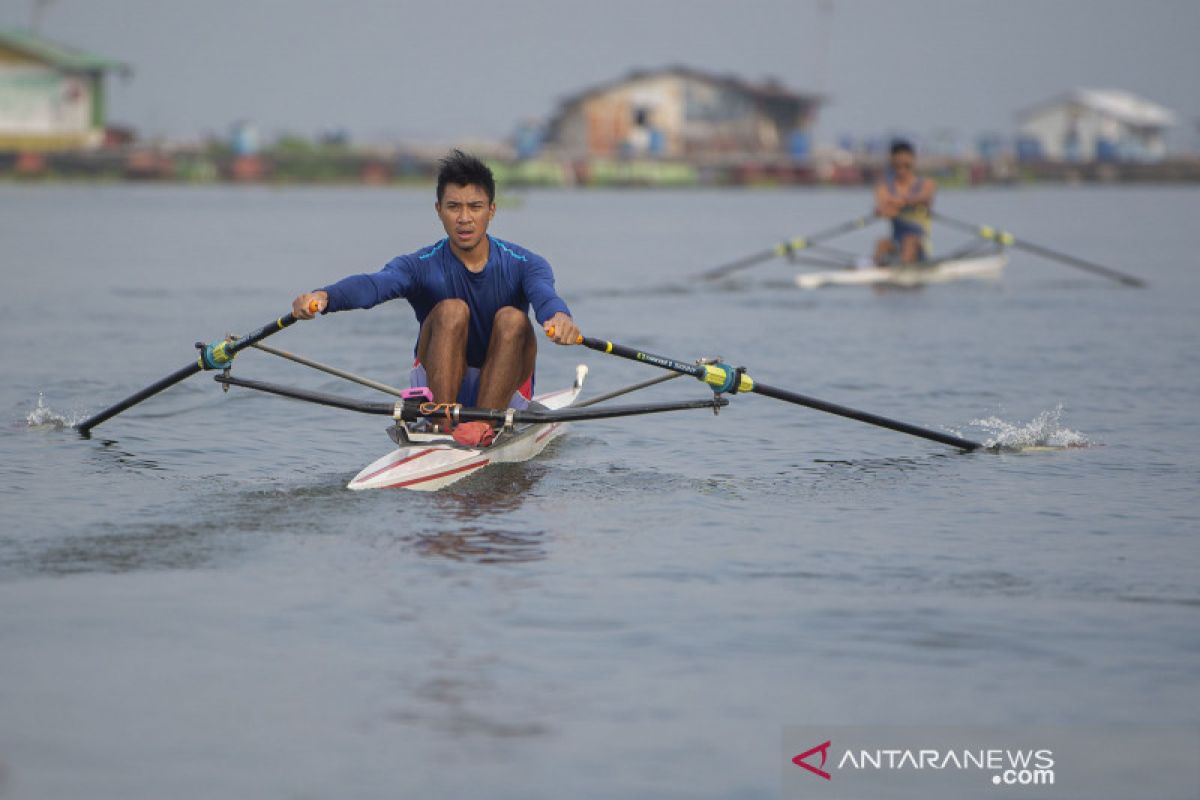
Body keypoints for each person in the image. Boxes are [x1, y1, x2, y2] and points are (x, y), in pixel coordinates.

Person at [291, 150, 580, 447]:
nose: (464, 218)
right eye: (454, 207)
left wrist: (559, 318)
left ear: (491, 210)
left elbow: (545, 296)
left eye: (475, 207)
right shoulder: (420, 264)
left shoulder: (525, 263)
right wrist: (325, 296)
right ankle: (441, 425)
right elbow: (374, 285)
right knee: (451, 311)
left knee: (513, 319)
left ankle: (482, 423)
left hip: (505, 387)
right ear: (438, 209)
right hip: (437, 386)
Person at [872, 139, 936, 265]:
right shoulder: (883, 187)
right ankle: (877, 277)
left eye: (906, 166)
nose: (902, 170)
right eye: (897, 166)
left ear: (913, 161)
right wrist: (884, 209)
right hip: (896, 241)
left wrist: (899, 203)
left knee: (909, 241)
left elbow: (924, 198)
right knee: (882, 244)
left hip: (919, 242)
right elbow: (881, 207)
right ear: (891, 163)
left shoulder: (926, 184)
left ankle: (905, 275)